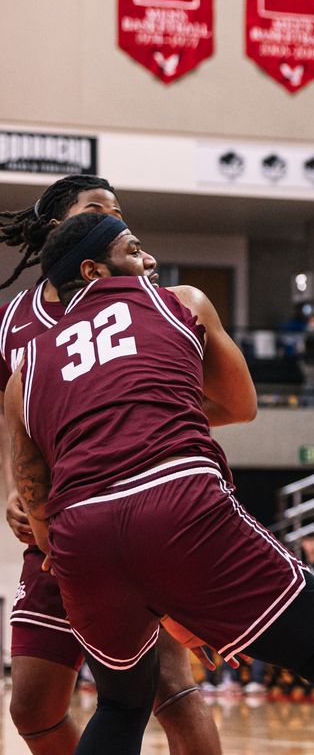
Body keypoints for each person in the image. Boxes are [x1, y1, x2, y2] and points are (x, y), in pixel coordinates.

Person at [8, 213, 314, 755]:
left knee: (120, 704)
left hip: (80, 536)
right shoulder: (181, 301)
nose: (149, 260)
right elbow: (241, 404)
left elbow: (35, 496)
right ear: (91, 270)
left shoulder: (25, 369)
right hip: (177, 496)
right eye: (134, 251)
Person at [0, 177, 221, 755]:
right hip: (55, 528)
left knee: (169, 690)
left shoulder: (146, 300)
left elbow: (219, 401)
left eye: (119, 212)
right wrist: (14, 487)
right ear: (58, 226)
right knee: (31, 705)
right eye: (98, 210)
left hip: (137, 508)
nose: (116, 222)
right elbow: (11, 419)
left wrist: (138, 431)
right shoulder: (11, 323)